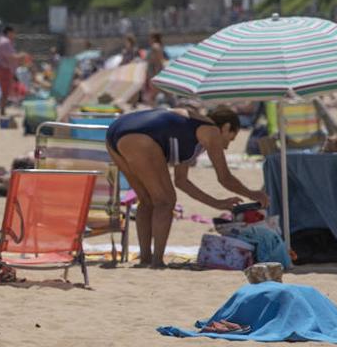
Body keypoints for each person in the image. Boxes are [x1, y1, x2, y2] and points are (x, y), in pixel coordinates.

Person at [106, 107, 268, 268]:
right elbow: (224, 177)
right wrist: (253, 194)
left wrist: (217, 203)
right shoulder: (211, 131)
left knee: (147, 200)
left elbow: (182, 181)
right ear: (225, 127)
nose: (226, 146)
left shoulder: (188, 134)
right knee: (165, 201)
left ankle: (146, 259)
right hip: (140, 136)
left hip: (115, 132)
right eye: (230, 139)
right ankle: (157, 261)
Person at [0, 25, 18, 117]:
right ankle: (2, 111)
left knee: (5, 91)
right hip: (3, 68)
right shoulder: (5, 42)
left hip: (1, 68)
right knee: (5, 91)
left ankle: (2, 109)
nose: (14, 35)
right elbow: (10, 57)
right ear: (9, 32)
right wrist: (22, 57)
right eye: (13, 33)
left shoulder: (2, 41)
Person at [143, 32, 167, 104]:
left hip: (155, 71)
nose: (149, 40)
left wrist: (156, 75)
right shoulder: (158, 47)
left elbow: (158, 61)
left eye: (150, 38)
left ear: (154, 38)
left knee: (154, 92)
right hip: (155, 71)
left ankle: (154, 107)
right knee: (156, 92)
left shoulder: (155, 47)